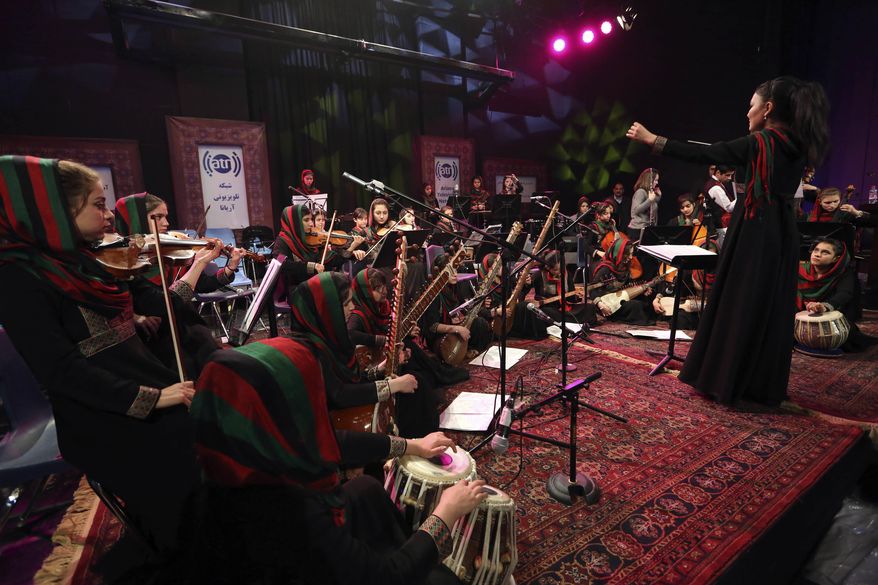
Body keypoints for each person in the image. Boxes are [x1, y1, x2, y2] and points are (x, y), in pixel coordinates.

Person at [0, 156, 202, 576]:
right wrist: (150, 398)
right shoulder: (20, 278)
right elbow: (60, 370)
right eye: (97, 204)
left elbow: (151, 305)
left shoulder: (84, 259)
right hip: (98, 414)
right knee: (185, 443)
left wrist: (146, 306)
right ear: (53, 211)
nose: (109, 215)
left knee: (209, 408)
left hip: (138, 378)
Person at [188, 334, 487, 585]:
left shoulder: (235, 460)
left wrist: (411, 445)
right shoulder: (294, 514)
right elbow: (388, 577)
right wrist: (444, 514)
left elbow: (336, 443)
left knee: (366, 489)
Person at [627, 75, 831, 406]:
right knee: (766, 305)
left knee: (741, 301)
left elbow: (709, 152)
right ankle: (758, 384)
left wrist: (653, 140)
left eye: (751, 107)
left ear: (767, 109)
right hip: (781, 231)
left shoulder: (762, 142)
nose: (747, 114)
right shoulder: (798, 145)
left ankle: (726, 379)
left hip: (755, 230)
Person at [348, 268, 462, 437]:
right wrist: (382, 341)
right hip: (373, 365)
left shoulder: (382, 307)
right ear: (365, 291)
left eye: (383, 287)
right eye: (377, 289)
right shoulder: (356, 314)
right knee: (420, 381)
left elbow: (391, 331)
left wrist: (407, 331)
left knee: (421, 372)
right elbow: (351, 335)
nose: (383, 292)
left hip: (388, 359)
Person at [274, 204, 365, 291]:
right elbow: (282, 264)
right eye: (306, 220)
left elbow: (332, 260)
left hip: (315, 285)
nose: (311, 224)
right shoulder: (283, 241)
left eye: (311, 220)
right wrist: (312, 266)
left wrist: (351, 250)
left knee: (343, 282)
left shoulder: (312, 239)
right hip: (296, 288)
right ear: (295, 222)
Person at [590, 241, 653, 325]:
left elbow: (627, 286)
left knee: (645, 300)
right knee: (635, 305)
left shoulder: (624, 267)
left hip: (620, 298)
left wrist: (643, 291)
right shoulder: (605, 269)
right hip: (607, 305)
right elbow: (592, 290)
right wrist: (600, 304)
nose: (630, 257)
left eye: (631, 254)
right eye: (627, 254)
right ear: (618, 254)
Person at [627, 168, 661, 242]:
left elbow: (652, 209)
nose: (657, 182)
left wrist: (658, 197)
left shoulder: (649, 192)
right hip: (637, 230)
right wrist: (650, 200)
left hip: (646, 229)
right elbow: (635, 210)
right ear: (649, 180)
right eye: (655, 180)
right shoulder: (641, 192)